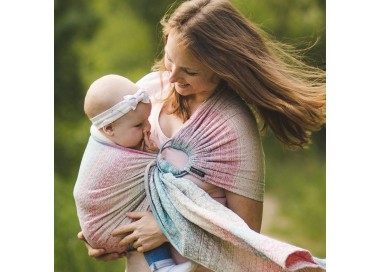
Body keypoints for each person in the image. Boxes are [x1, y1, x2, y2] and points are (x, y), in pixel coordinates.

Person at [78, 0, 326, 271]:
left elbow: (246, 233)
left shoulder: (231, 126)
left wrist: (167, 229)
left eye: (190, 71)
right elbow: (108, 159)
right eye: (170, 59)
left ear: (222, 70)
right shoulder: (145, 93)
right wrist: (102, 232)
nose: (172, 76)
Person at [74, 74, 195, 272]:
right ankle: (162, 267)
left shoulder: (122, 121)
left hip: (113, 233)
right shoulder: (108, 152)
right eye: (139, 125)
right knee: (149, 205)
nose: (148, 127)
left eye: (147, 120)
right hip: (107, 227)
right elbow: (159, 170)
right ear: (109, 128)